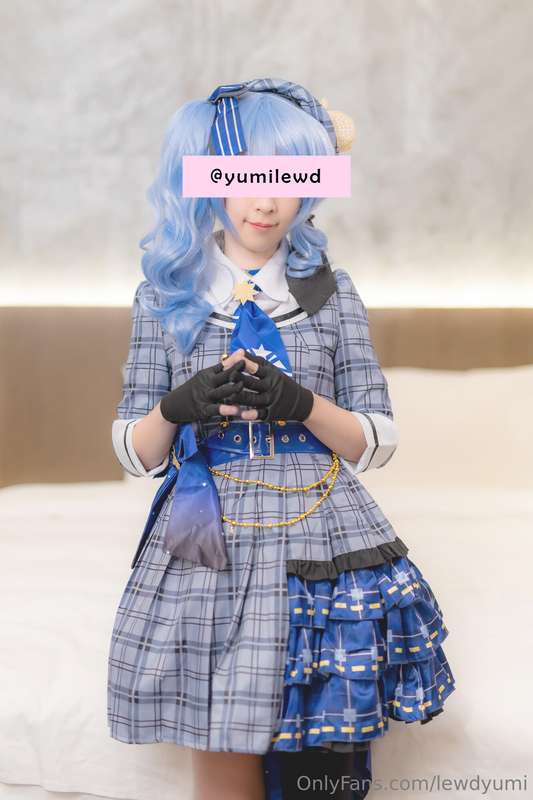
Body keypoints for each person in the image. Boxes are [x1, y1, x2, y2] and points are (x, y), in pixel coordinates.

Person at [107, 79, 456, 800]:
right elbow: (135, 452)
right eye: (243, 177)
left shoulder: (332, 293)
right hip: (207, 540)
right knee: (222, 747)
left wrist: (302, 405)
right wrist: (176, 407)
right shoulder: (163, 298)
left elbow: (375, 439)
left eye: (288, 178)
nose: (265, 201)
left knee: (322, 766)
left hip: (322, 537)